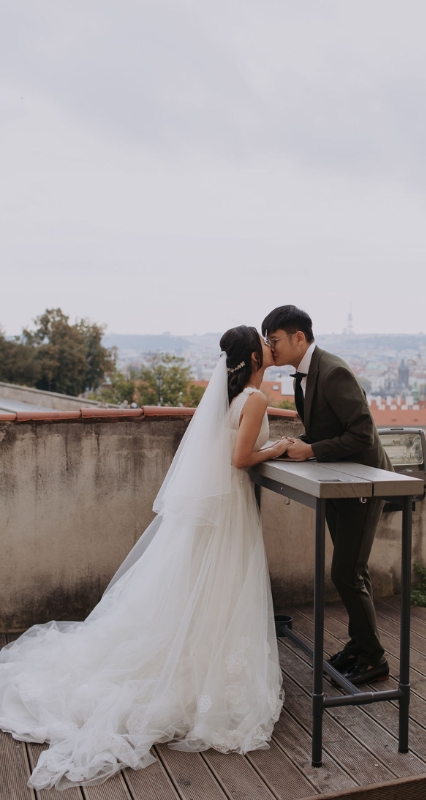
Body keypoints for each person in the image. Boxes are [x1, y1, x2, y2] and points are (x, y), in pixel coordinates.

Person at [0, 326, 290, 791]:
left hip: (217, 510)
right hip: (231, 508)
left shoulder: (231, 400)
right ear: (254, 357)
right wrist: (276, 449)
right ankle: (204, 678)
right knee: (220, 587)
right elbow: (240, 459)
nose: (268, 347)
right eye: (263, 343)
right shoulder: (253, 401)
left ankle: (197, 668)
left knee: (203, 589)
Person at [261, 305, 393, 686]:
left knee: (346, 572)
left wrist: (313, 449)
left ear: (299, 337)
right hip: (339, 480)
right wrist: (301, 442)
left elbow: (362, 435)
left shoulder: (333, 371)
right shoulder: (304, 375)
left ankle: (374, 658)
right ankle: (359, 646)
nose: (271, 346)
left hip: (364, 483)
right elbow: (323, 428)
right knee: (351, 571)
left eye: (275, 339)